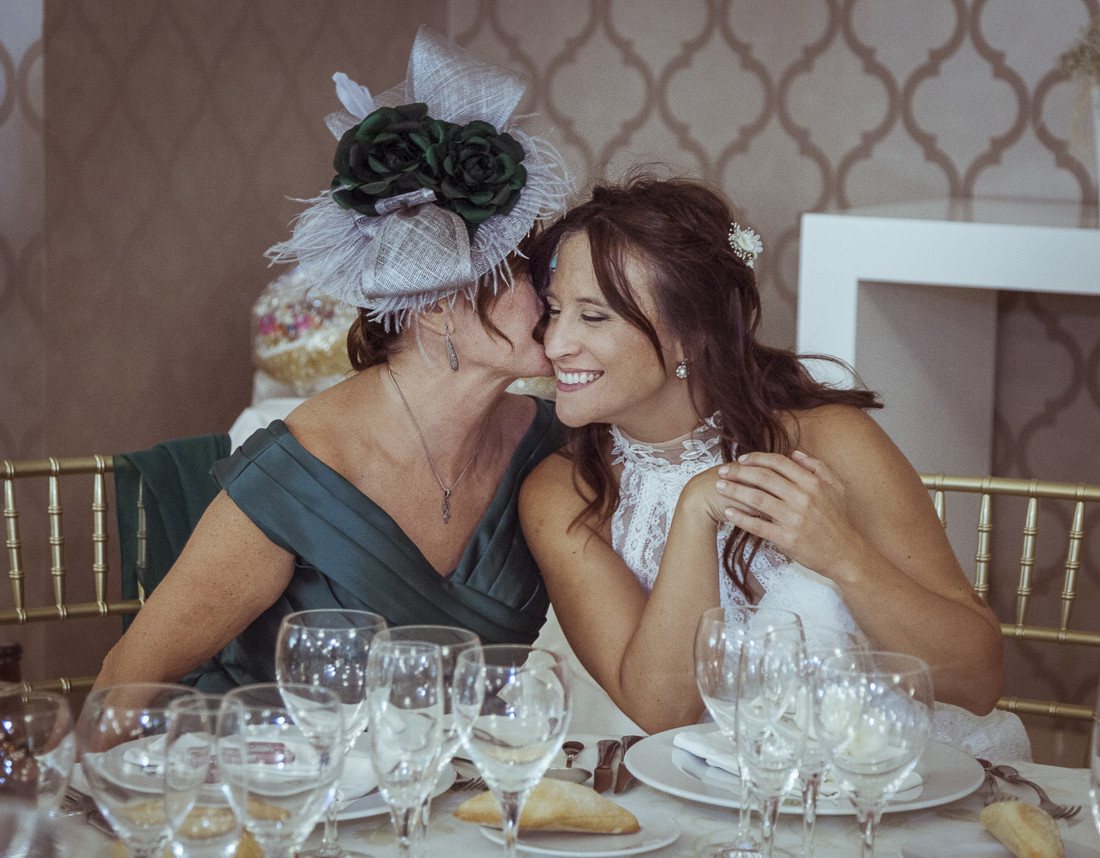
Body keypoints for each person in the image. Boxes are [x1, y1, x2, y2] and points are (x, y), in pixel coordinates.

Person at [95, 27, 570, 692]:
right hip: (283, 779)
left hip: (462, 789)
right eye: (525, 271)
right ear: (435, 305)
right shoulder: (301, 479)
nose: (555, 291)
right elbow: (128, 679)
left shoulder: (551, 442)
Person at [519, 172, 1030, 758]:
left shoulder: (829, 440)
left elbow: (980, 679)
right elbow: (666, 711)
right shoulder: (561, 493)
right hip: (693, 802)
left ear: (692, 336)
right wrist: (694, 512)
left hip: (882, 784)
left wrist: (840, 552)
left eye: (594, 317)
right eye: (554, 310)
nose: (555, 344)